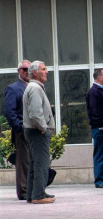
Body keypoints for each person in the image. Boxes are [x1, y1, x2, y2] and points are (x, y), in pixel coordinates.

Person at [23, 61, 56, 204]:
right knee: (41, 164)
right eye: (43, 69)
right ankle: (39, 195)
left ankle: (33, 194)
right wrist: (44, 128)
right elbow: (36, 114)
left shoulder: (32, 87)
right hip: (37, 132)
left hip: (33, 131)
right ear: (35, 73)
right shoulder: (35, 88)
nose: (47, 71)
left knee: (35, 164)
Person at [4, 60, 30, 200]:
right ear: (18, 71)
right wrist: (19, 129)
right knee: (23, 162)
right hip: (22, 131)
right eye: (24, 69)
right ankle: (24, 191)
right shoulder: (13, 88)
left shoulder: (34, 86)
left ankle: (33, 188)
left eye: (29, 69)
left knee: (33, 161)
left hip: (34, 131)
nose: (26, 71)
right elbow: (9, 112)